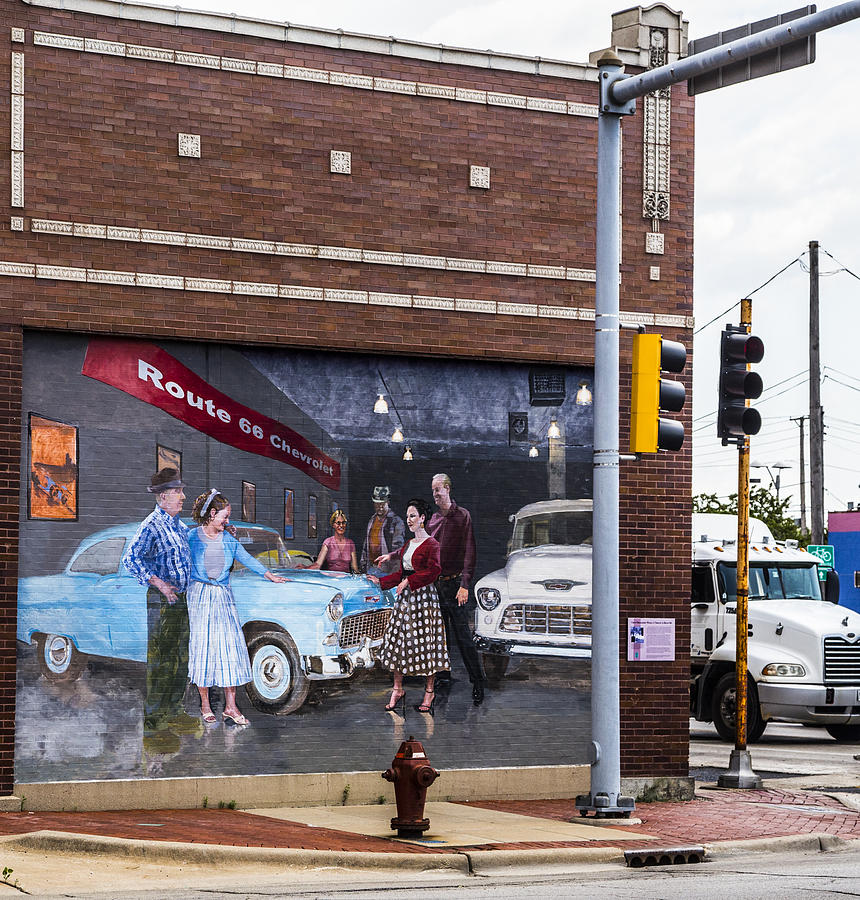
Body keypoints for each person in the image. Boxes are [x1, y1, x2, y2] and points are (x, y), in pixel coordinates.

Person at [188, 489, 286, 726]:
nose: (228, 521)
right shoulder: (191, 537)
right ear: (212, 514)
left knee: (230, 648)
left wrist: (269, 575)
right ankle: (205, 705)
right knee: (204, 649)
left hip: (223, 597)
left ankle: (231, 707)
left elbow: (249, 559)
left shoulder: (229, 540)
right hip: (200, 597)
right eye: (225, 516)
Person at [122, 467, 198, 750]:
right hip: (162, 602)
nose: (183, 496)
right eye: (178, 492)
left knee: (180, 660)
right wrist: (160, 584)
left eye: (181, 491)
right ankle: (154, 727)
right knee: (161, 663)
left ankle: (174, 713)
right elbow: (132, 558)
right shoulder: (152, 524)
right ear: (163, 496)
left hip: (181, 601)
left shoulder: (179, 526)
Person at [368, 498, 449, 714]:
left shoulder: (432, 544)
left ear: (423, 518)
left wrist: (409, 582)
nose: (409, 520)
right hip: (406, 600)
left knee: (426, 643)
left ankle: (429, 691)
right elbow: (402, 572)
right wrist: (382, 582)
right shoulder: (408, 544)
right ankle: (397, 689)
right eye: (407, 516)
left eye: (413, 515)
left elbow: (434, 571)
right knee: (398, 642)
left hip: (424, 600)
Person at [427, 473, 485, 706]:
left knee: (464, 638)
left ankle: (478, 682)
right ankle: (443, 677)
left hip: (455, 585)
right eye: (432, 490)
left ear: (448, 489)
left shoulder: (463, 516)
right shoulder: (432, 520)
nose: (435, 494)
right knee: (440, 637)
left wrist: (464, 585)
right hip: (437, 586)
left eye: (438, 489)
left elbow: (470, 552)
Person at [360, 486, 406, 577]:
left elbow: (398, 549)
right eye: (377, 504)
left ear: (388, 502)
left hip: (387, 571)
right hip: (371, 569)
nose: (380, 507)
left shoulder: (396, 521)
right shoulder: (372, 520)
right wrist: (363, 566)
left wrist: (393, 574)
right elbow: (366, 545)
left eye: (382, 503)